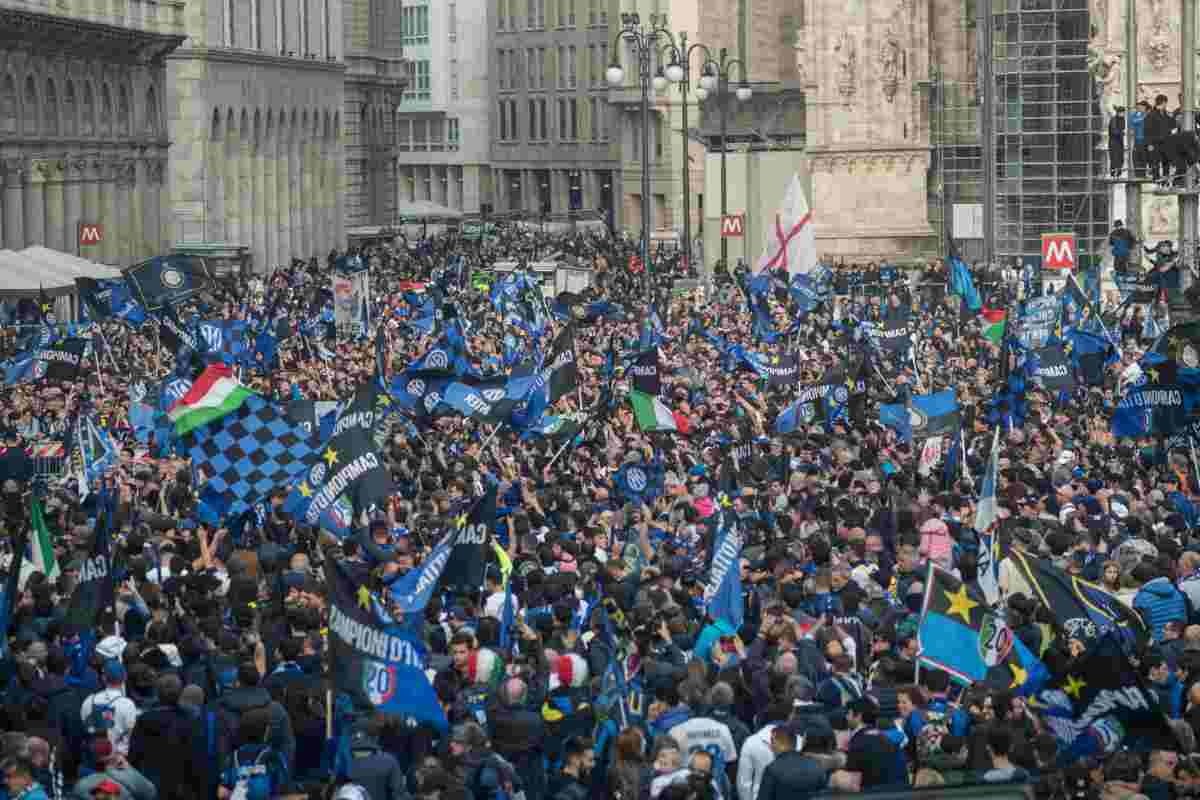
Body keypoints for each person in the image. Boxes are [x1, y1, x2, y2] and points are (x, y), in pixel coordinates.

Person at [754, 722, 827, 800]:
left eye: (771, 741)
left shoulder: (772, 769)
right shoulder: (815, 766)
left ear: (776, 742)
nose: (771, 746)